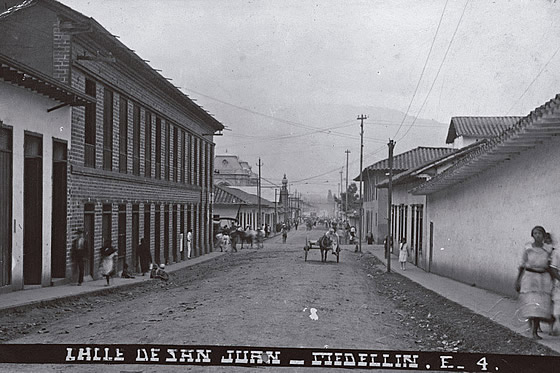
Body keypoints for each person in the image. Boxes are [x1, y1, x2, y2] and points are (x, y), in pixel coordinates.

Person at [515, 225, 554, 339]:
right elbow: (522, 265)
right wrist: (518, 280)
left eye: (540, 233)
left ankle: (535, 331)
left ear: (543, 235)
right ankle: (531, 329)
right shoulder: (528, 248)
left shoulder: (548, 249)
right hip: (530, 278)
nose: (538, 235)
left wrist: (553, 280)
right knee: (531, 305)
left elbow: (550, 266)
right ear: (532, 235)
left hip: (543, 279)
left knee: (540, 306)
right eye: (535, 233)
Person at [548, 233, 560, 336]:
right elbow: (553, 268)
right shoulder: (556, 252)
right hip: (557, 282)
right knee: (556, 305)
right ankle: (554, 327)